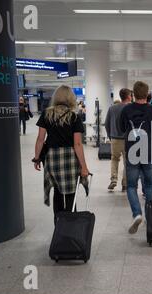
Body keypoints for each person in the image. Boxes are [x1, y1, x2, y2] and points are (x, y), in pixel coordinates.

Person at [33, 85, 90, 225]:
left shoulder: (46, 113)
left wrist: (37, 157)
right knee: (71, 195)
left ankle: (58, 228)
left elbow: (40, 139)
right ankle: (71, 230)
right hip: (70, 158)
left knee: (58, 193)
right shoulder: (74, 116)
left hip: (52, 158)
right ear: (71, 98)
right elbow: (77, 144)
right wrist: (84, 166)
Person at [120, 81, 152, 234]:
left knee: (132, 186)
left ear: (133, 94)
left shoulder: (126, 109)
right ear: (147, 94)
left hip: (132, 152)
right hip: (150, 152)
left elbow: (121, 129)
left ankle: (137, 214)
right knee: (149, 186)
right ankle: (150, 217)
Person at [105, 88, 132, 192]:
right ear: (128, 96)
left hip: (115, 139)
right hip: (127, 140)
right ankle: (125, 184)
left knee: (114, 159)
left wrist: (110, 136)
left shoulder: (112, 108)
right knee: (127, 162)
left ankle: (113, 180)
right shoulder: (130, 108)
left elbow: (107, 123)